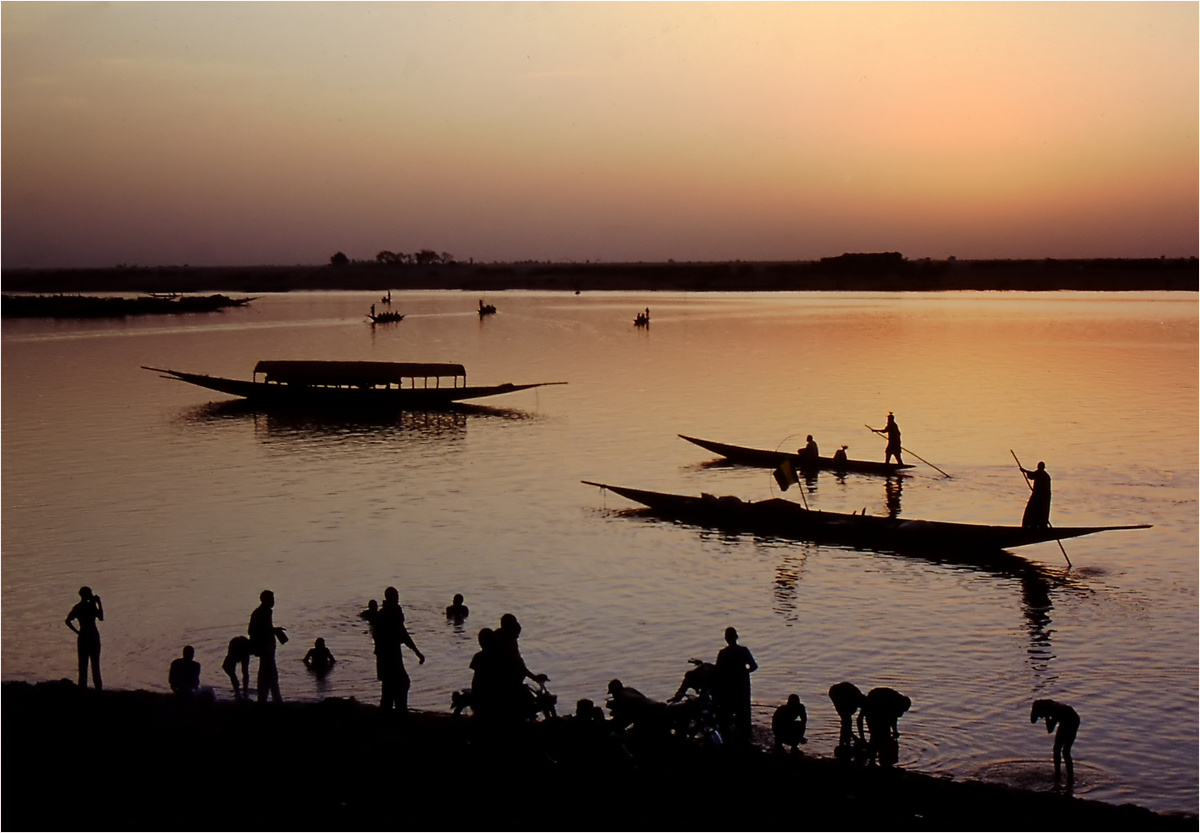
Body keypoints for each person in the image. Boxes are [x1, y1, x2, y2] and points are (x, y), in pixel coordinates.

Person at [372, 586, 425, 713]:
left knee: (389, 687)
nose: (397, 600)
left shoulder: (383, 614)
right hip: (390, 655)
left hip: (386, 655)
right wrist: (417, 652)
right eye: (395, 597)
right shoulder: (391, 613)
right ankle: (399, 712)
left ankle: (389, 713)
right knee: (400, 683)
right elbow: (403, 634)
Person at [715, 626, 757, 737]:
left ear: (726, 639)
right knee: (744, 712)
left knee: (726, 713)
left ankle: (727, 736)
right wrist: (744, 672)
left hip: (728, 687)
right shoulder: (743, 651)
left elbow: (718, 671)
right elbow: (754, 666)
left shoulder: (723, 653)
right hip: (743, 686)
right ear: (736, 637)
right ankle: (746, 736)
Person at [248, 590, 287, 703]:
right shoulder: (262, 612)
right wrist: (274, 631)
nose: (273, 601)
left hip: (266, 647)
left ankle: (267, 698)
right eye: (272, 599)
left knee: (268, 673)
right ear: (266, 600)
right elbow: (255, 631)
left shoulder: (263, 612)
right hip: (265, 647)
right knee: (270, 674)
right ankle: (272, 700)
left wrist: (273, 630)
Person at [861, 687, 911, 767]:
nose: (902, 713)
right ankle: (876, 760)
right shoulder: (894, 702)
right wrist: (894, 731)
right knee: (877, 735)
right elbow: (893, 718)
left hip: (877, 708)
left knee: (879, 736)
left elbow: (893, 717)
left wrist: (894, 731)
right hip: (874, 709)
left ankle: (878, 759)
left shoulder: (896, 701)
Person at [65, 586, 104, 690]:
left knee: (83, 666)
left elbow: (68, 621)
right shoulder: (91, 606)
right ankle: (98, 690)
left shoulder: (78, 607)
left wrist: (77, 632)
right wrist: (98, 603)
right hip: (93, 636)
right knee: (95, 666)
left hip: (83, 636)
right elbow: (101, 617)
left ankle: (83, 690)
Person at [1030, 699, 1079, 781]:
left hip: (1070, 721)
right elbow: (1033, 720)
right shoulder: (1050, 706)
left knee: (1062, 750)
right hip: (1073, 718)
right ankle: (1065, 775)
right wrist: (1045, 716)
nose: (1040, 717)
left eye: (1040, 715)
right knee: (1062, 750)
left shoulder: (1053, 710)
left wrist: (1046, 717)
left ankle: (1061, 775)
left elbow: (1050, 729)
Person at [829, 681, 868, 760]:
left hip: (844, 693)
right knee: (846, 720)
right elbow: (858, 720)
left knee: (846, 721)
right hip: (836, 692)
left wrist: (861, 738)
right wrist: (859, 738)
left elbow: (858, 720)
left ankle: (845, 744)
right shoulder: (854, 700)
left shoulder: (862, 702)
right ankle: (844, 745)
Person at [1020, 461, 1053, 528]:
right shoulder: (1043, 474)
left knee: (1033, 510)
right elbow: (1033, 475)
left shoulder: (1042, 474)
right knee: (1037, 510)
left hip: (1039, 497)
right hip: (1040, 496)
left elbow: (1033, 475)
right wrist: (1025, 471)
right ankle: (1036, 524)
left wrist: (1025, 471)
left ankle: (1035, 524)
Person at [222, 635, 253, 699]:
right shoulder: (235, 645)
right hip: (237, 647)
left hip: (240, 647)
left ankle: (241, 692)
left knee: (243, 671)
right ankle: (242, 692)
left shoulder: (242, 647)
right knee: (243, 671)